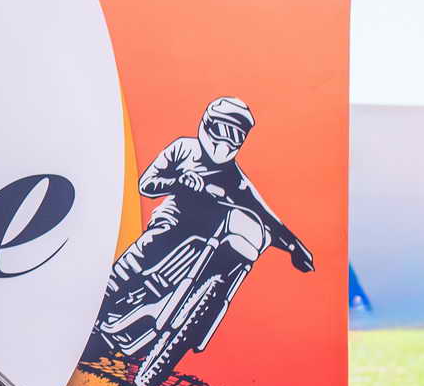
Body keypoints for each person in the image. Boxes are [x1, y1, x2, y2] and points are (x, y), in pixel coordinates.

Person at [101, 95, 314, 305]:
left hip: (210, 235)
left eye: (235, 135)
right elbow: (146, 184)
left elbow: (265, 215)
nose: (226, 142)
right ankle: (109, 290)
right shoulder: (183, 148)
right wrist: (178, 181)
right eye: (222, 130)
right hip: (174, 219)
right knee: (153, 244)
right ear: (208, 125)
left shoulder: (236, 180)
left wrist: (294, 247)